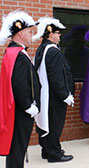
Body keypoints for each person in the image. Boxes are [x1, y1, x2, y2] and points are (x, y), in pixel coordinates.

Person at [0, 10, 41, 168]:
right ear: (21, 33)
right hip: (20, 112)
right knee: (17, 149)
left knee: (18, 148)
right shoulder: (17, 55)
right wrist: (28, 106)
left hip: (19, 111)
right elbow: (18, 84)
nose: (32, 35)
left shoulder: (15, 52)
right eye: (30, 32)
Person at [32, 17, 74, 162]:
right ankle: (54, 153)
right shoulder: (52, 51)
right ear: (50, 34)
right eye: (57, 32)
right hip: (54, 97)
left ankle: (46, 149)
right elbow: (56, 77)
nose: (60, 35)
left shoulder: (42, 48)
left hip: (46, 95)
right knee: (55, 125)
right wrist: (65, 95)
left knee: (47, 123)